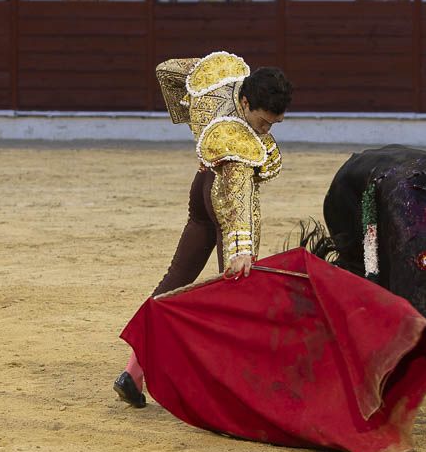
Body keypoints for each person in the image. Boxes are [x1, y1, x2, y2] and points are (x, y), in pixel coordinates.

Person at [113, 52, 293, 408]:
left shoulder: (222, 82)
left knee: (175, 279)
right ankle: (234, 387)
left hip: (200, 188)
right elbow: (236, 196)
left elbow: (167, 71)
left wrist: (197, 131)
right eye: (263, 121)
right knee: (240, 295)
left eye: (274, 124)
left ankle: (133, 372)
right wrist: (241, 248)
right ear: (245, 102)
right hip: (222, 196)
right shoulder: (237, 141)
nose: (266, 130)